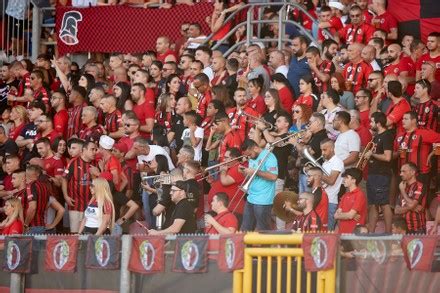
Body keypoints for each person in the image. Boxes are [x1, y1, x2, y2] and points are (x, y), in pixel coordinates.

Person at [240, 139, 278, 231]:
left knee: (263, 229)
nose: (248, 157)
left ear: (256, 148)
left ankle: (266, 245)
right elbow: (253, 177)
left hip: (263, 200)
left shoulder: (269, 156)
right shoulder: (253, 157)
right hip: (251, 197)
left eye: (249, 154)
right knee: (245, 228)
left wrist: (255, 172)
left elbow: (273, 177)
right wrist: (244, 172)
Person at [365, 112, 394, 233]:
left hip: (381, 174)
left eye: (372, 122)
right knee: (373, 204)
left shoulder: (387, 135)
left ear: (378, 123)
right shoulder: (376, 137)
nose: (370, 124)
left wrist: (372, 154)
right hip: (373, 173)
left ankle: (388, 233)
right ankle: (371, 232)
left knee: (383, 203)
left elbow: (388, 157)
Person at [62, 140, 98, 234]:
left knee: (89, 233)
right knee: (75, 233)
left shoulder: (96, 163)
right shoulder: (73, 162)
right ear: (84, 150)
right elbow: (64, 179)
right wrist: (66, 196)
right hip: (75, 204)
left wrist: (98, 173)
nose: (94, 152)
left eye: (95, 149)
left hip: (91, 206)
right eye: (92, 149)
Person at [394, 163, 426, 234]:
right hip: (403, 229)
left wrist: (402, 191)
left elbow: (411, 205)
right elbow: (396, 210)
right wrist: (413, 207)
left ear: (413, 172)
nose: (401, 174)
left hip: (417, 229)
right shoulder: (403, 186)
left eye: (404, 171)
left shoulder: (419, 186)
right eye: (400, 171)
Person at [320, 139, 345, 230]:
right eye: (321, 150)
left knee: (328, 231)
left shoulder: (337, 162)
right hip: (322, 199)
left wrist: (318, 174)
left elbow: (331, 181)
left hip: (330, 200)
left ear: (332, 149)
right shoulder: (325, 163)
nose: (322, 153)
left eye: (324, 150)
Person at [334, 168, 367, 234]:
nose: (344, 180)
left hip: (354, 235)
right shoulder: (345, 195)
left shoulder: (359, 194)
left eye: (346, 178)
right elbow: (335, 216)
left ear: (354, 180)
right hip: (343, 234)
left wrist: (349, 215)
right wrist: (349, 215)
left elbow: (349, 215)